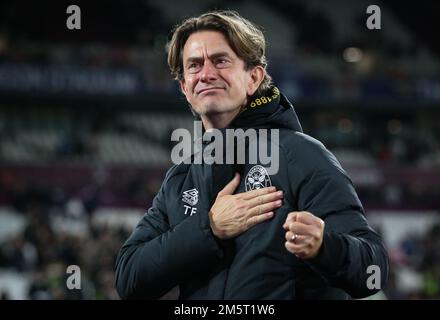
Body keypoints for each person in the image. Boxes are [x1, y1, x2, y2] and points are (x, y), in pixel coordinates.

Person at [114, 10, 389, 299]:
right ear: (185, 88)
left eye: (221, 61)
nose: (206, 74)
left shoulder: (302, 156)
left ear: (253, 78)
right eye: (194, 66)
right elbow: (129, 278)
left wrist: (324, 247)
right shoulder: (182, 176)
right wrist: (209, 228)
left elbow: (373, 270)